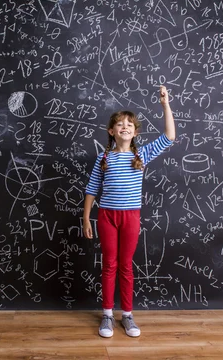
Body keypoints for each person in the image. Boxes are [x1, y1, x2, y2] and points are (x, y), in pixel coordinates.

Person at [82, 85, 176, 338]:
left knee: (125, 265)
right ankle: (107, 315)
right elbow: (91, 189)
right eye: (120, 124)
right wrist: (86, 218)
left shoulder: (142, 154)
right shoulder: (104, 158)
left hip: (131, 217)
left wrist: (165, 105)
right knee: (109, 264)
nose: (125, 127)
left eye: (130, 125)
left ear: (135, 132)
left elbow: (169, 136)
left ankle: (127, 315)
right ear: (112, 131)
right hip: (107, 217)